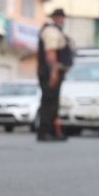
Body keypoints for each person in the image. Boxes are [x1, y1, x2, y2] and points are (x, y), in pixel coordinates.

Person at [36, 8, 73, 142]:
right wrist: (53, 72)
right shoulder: (51, 31)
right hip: (50, 71)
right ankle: (44, 131)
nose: (62, 20)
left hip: (53, 70)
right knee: (48, 102)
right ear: (56, 18)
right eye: (61, 18)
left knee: (53, 103)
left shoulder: (56, 31)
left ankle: (52, 131)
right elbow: (50, 53)